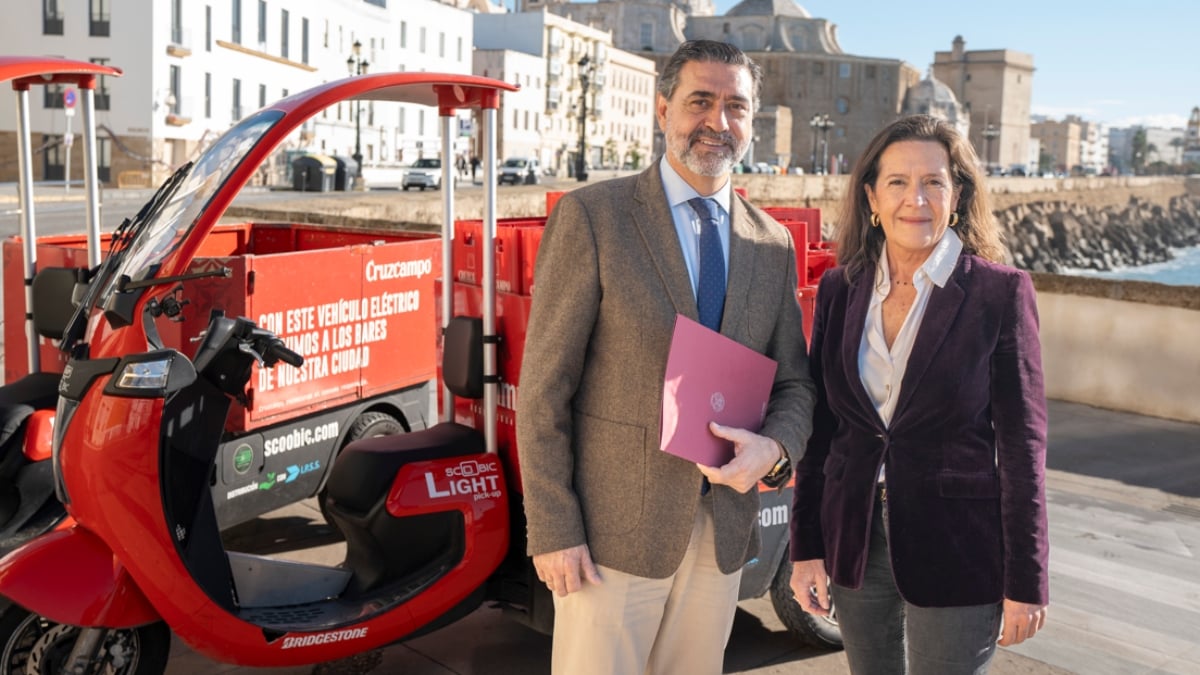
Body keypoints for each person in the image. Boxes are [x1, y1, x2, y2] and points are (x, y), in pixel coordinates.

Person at [516, 40, 816, 675]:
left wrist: (775, 450)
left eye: (736, 106)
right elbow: (544, 389)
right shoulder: (594, 217)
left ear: (752, 119)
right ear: (663, 110)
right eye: (699, 101)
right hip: (609, 535)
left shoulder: (772, 242)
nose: (717, 122)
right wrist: (552, 528)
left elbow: (795, 383)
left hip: (722, 536)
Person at [788, 114, 1050, 674]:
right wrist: (806, 548)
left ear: (956, 197)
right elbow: (823, 432)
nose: (917, 199)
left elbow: (1024, 447)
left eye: (934, 181)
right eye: (899, 183)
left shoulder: (998, 293)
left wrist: (1027, 579)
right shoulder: (840, 287)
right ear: (872, 198)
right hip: (854, 539)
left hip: (957, 544)